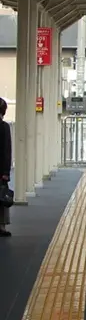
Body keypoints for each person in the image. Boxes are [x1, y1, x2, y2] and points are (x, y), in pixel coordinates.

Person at [0, 98, 11, 238]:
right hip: (0, 170)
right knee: (1, 199)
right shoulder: (3, 127)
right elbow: (6, 151)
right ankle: (1, 227)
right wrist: (5, 172)